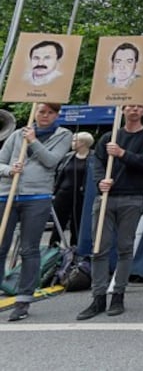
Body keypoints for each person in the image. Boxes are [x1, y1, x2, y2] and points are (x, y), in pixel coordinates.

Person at [77, 104, 143, 320]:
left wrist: (122, 153)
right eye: (129, 106)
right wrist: (100, 181)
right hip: (106, 197)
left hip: (132, 197)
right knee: (99, 249)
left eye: (138, 107)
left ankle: (118, 295)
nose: (133, 110)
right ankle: (98, 297)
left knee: (125, 248)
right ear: (122, 110)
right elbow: (98, 164)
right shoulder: (108, 136)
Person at [0, 103, 71, 321]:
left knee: (29, 249)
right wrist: (9, 170)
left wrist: (33, 141)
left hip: (37, 197)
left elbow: (51, 161)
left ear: (56, 115)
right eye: (41, 111)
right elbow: (0, 161)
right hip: (6, 194)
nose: (45, 116)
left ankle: (23, 299)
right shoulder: (16, 134)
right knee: (1, 244)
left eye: (50, 112)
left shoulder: (64, 135)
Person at [50, 131, 94, 247]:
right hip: (63, 194)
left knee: (77, 224)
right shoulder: (68, 157)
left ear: (83, 143)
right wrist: (54, 191)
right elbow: (59, 174)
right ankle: (53, 250)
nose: (72, 142)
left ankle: (75, 251)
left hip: (81, 195)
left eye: (75, 140)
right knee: (58, 224)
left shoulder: (93, 158)